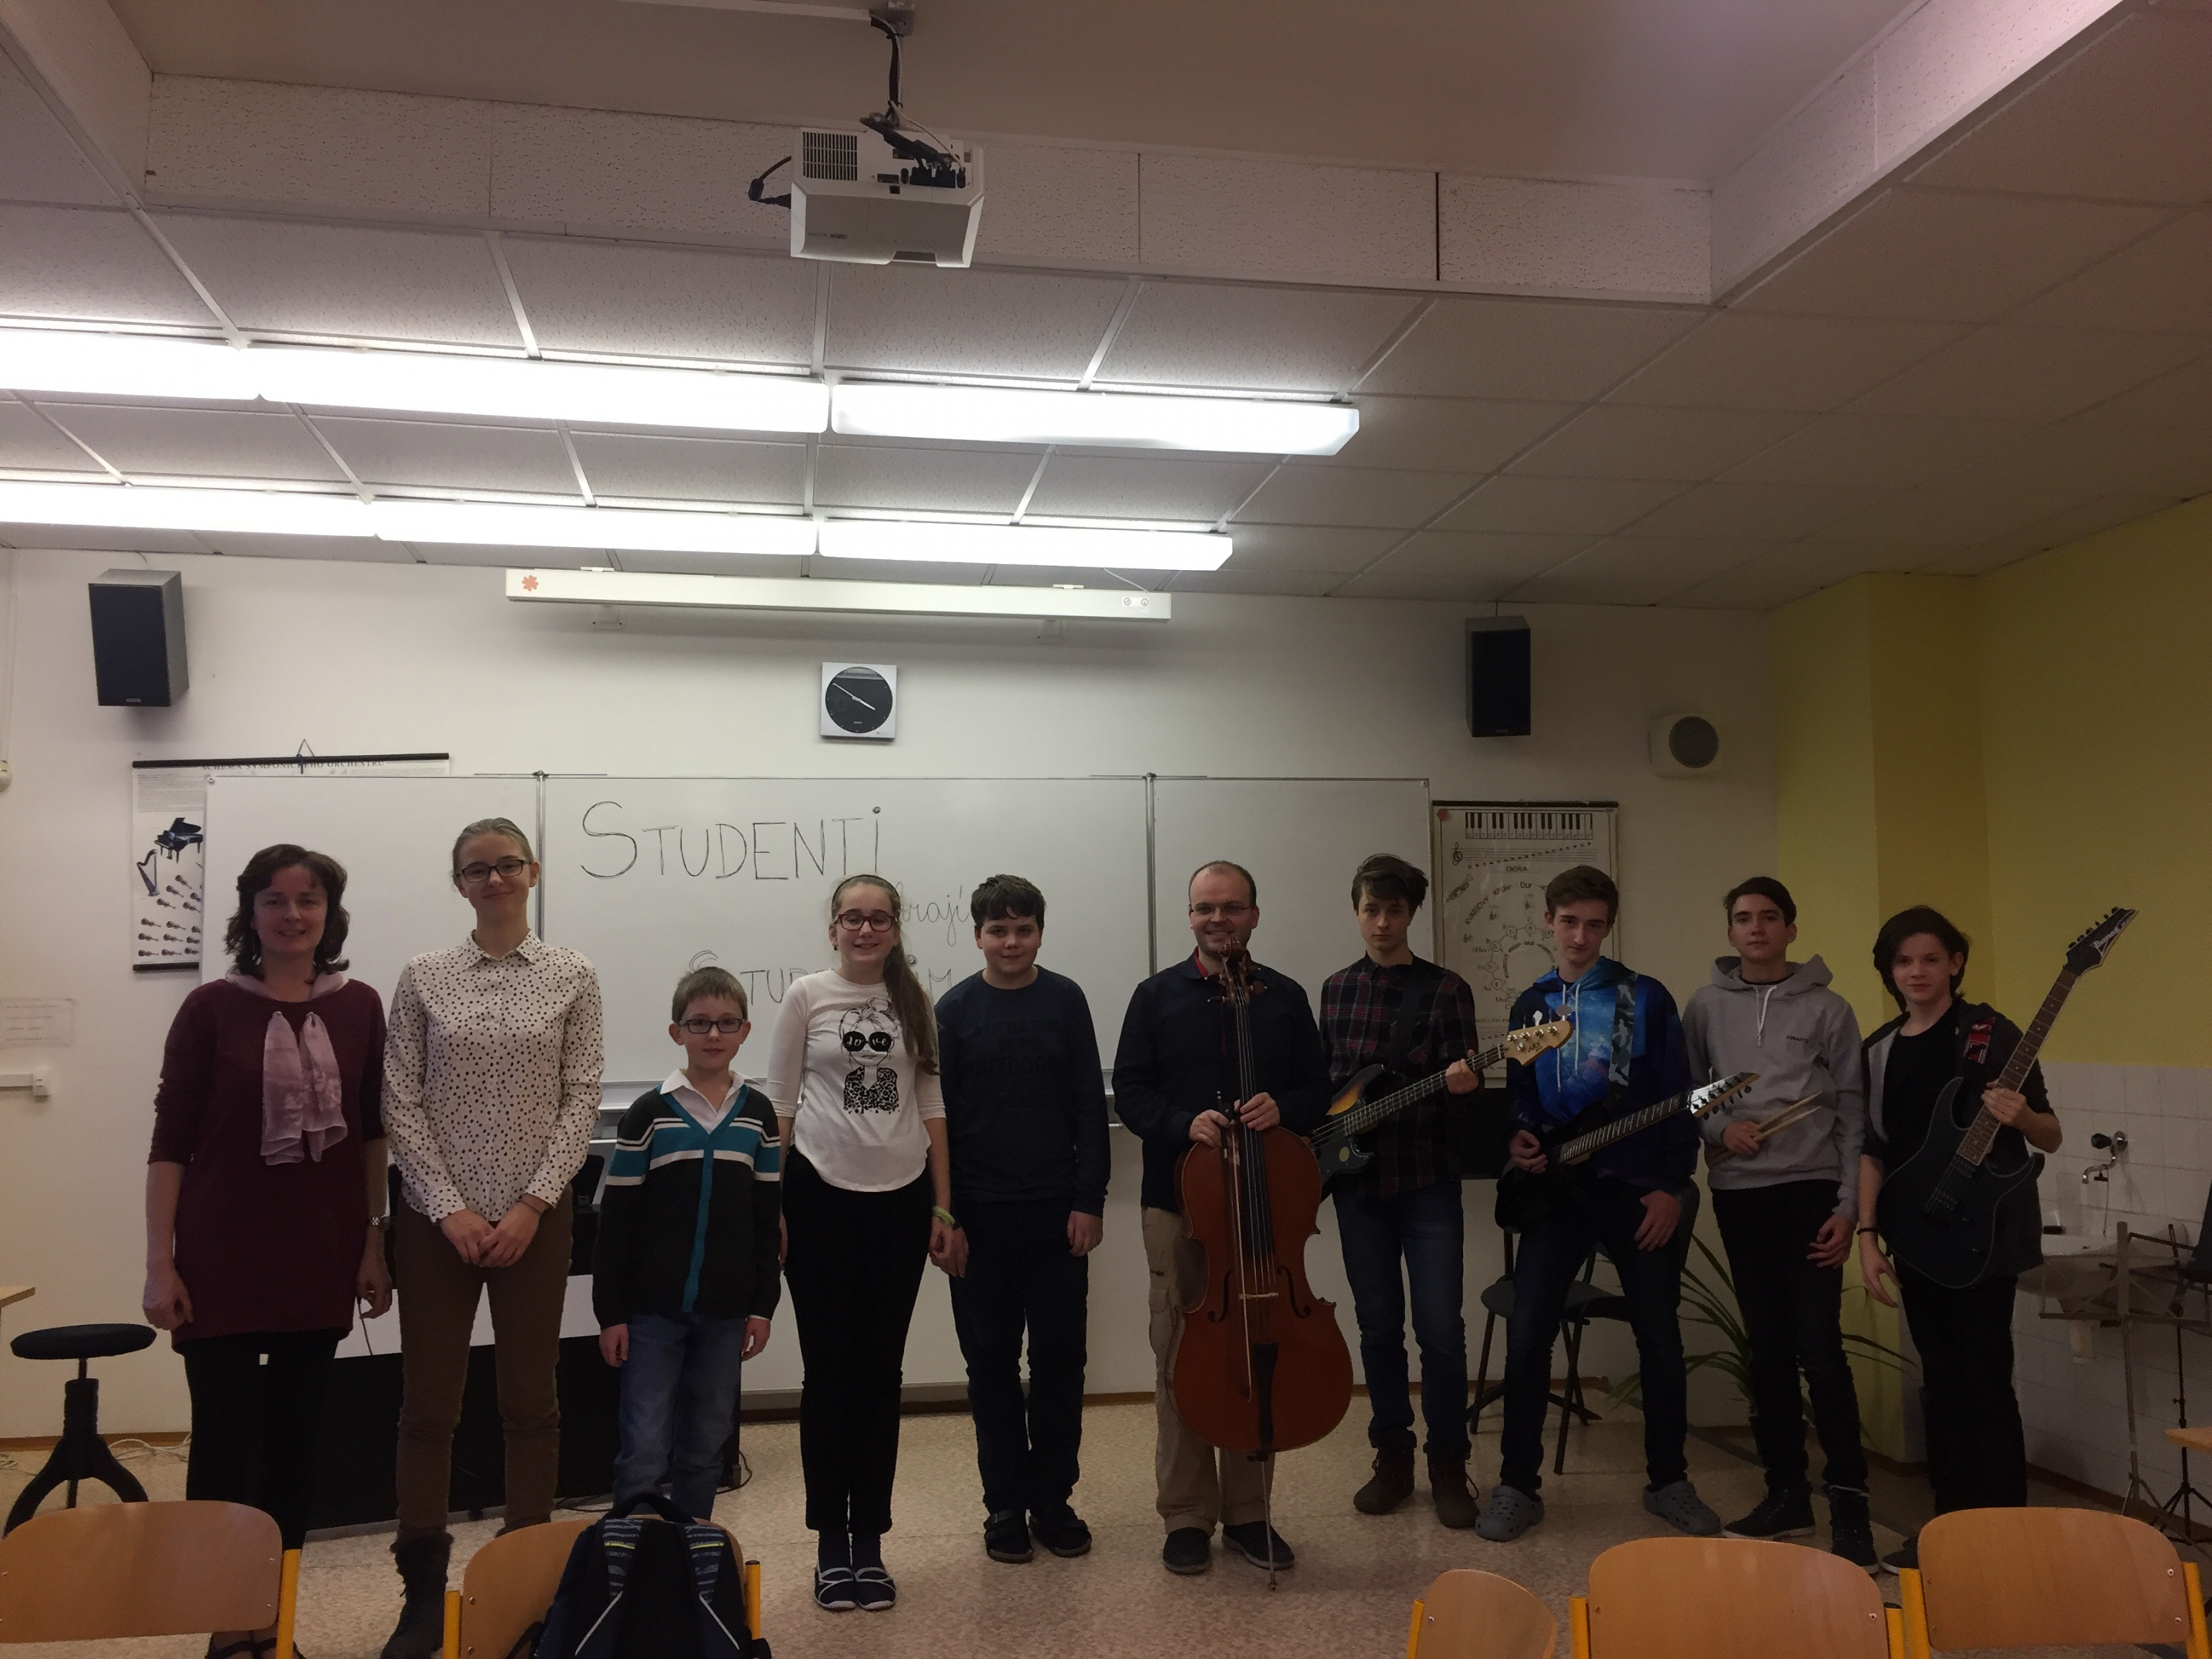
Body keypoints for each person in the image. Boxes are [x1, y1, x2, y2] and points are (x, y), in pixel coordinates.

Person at [144, 844, 391, 1659]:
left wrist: (373, 1240)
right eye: (275, 900)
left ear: (330, 913)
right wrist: (159, 1261)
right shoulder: (210, 1008)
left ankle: (273, 1625)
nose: (293, 915)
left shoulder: (360, 1007)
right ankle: (228, 1625)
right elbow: (171, 1142)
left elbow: (372, 1134)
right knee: (221, 1443)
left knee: (294, 1446)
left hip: (319, 1254)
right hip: (219, 1257)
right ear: (250, 913)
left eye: (309, 900)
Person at [378, 819, 603, 1659]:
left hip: (533, 1222)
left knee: (530, 1406)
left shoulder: (573, 974)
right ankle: (421, 1596)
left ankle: (526, 1588)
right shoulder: (424, 977)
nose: (495, 878)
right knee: (429, 1408)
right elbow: (399, 1098)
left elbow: (582, 1096)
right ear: (460, 883)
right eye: (478, 869)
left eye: (508, 864)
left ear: (533, 872)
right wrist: (450, 1209)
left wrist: (531, 1206)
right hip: (436, 1224)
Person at [1476, 864, 1720, 1543]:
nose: (1580, 936)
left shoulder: (1644, 997)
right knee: (1529, 1333)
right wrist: (1520, 1136)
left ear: (1609, 927)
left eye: (1594, 924)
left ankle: (1669, 1481)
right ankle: (1517, 1487)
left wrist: (1672, 1187)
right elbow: (1521, 1094)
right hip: (1558, 1195)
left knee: (1660, 1338)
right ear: (1548, 922)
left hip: (1637, 1191)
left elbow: (1680, 1097)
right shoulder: (1532, 1004)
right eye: (1569, 922)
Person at [1112, 859, 1331, 1578]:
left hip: (1264, 1207)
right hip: (1179, 1205)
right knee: (1183, 1356)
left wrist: (1284, 1108)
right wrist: (1184, 1122)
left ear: (1253, 916)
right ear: (1190, 917)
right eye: (1205, 908)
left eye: (1232, 907)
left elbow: (1318, 1090)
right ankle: (1185, 1515)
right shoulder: (1155, 997)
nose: (1218, 920)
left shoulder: (1284, 997)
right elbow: (1131, 1092)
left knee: (1257, 1350)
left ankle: (1249, 1514)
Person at [767, 873, 962, 1614]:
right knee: (829, 1374)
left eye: (879, 918)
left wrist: (943, 1206)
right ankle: (829, 1544)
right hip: (818, 1197)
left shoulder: (915, 1001)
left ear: (896, 929)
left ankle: (870, 1543)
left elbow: (932, 1103)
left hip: (901, 1203)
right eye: (852, 917)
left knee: (882, 1374)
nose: (865, 928)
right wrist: (771, 1205)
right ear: (833, 929)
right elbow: (781, 1104)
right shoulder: (806, 997)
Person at [1857, 906, 2058, 1571]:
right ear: (1889, 970)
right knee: (1940, 1384)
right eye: (1903, 961)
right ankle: (1949, 1527)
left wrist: (2022, 1116)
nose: (1916, 972)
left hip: (1984, 1238)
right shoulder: (1879, 1050)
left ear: (1955, 963)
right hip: (1917, 1233)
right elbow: (1873, 1150)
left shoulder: (1989, 1033)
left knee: (1985, 1382)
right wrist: (1867, 1236)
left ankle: (2005, 1537)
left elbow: (2052, 1134)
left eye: (1930, 959)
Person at [1684, 876, 1874, 1569]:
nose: (1756, 928)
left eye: (1769, 918)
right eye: (1743, 919)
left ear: (1791, 929)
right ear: (1730, 933)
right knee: (1765, 1349)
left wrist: (1849, 1209)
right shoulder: (1705, 1005)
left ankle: (1851, 1508)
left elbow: (1853, 1111)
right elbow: (1693, 1090)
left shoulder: (1830, 1008)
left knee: (1820, 1349)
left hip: (1812, 1193)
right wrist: (1721, 1128)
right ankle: (1786, 1497)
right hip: (1740, 1194)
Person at [936, 875, 1110, 1565]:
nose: (1011, 942)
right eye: (998, 930)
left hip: (1057, 1217)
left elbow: (1089, 1105)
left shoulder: (1066, 1000)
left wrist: (1090, 1200)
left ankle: (1054, 1501)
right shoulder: (953, 1010)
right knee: (991, 1368)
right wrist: (946, 1215)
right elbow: (937, 1122)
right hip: (979, 1222)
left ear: (1040, 931)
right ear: (978, 935)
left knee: (1062, 1364)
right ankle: (1004, 1506)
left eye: (1023, 929)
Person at [1318, 853, 1483, 1528]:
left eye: (1393, 911)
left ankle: (1448, 1462)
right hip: (1357, 1187)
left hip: (1426, 1181)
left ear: (1411, 914)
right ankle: (1392, 1459)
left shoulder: (1446, 990)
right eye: (1371, 909)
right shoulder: (1334, 990)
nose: (1382, 922)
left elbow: (1466, 1099)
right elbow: (1328, 1087)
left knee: (1441, 1330)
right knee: (1378, 1327)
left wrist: (1464, 1086)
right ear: (1356, 912)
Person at [594, 966, 781, 1522]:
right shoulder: (648, 1114)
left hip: (726, 1314)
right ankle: (633, 1550)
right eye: (699, 1023)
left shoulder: (758, 1115)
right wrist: (611, 1313)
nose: (713, 1034)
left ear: (745, 1031)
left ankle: (693, 1546)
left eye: (727, 1022)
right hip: (652, 1313)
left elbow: (766, 1219)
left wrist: (762, 1306)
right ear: (677, 1032)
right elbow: (617, 1223)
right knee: (645, 1445)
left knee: (706, 1443)